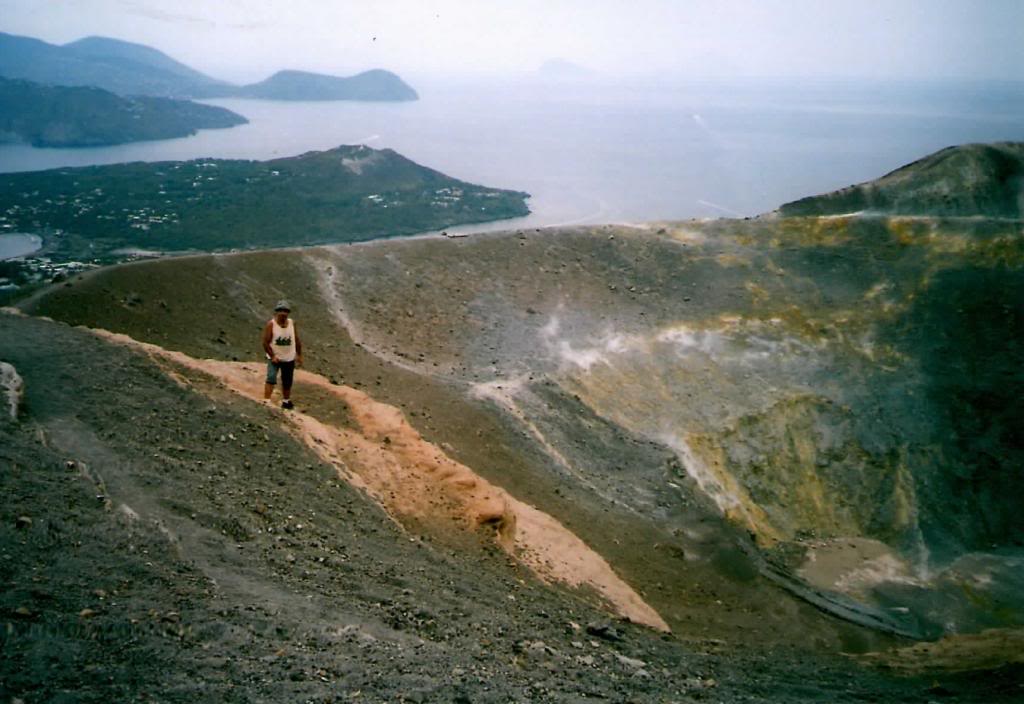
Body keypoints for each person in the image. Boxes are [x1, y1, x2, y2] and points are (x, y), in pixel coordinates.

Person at [262, 299, 303, 409]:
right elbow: (265, 342)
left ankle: (286, 401)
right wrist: (272, 356)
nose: (283, 313)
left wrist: (299, 355)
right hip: (275, 357)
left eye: (285, 311)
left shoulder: (292, 323)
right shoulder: (271, 325)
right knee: (271, 377)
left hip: (289, 357)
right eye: (281, 311)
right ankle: (266, 401)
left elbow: (296, 339)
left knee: (287, 380)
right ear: (277, 312)